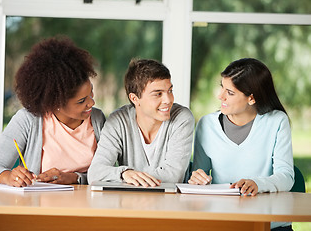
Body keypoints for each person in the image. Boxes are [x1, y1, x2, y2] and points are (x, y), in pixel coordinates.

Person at [0, 36, 105, 187]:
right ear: (56, 102)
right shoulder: (28, 120)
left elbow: (105, 173)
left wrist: (74, 178)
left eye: (91, 92)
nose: (92, 102)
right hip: (39, 205)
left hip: (87, 207)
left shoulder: (97, 119)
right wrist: (8, 176)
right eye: (81, 101)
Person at [188, 58, 294, 231]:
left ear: (251, 98)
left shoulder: (276, 121)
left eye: (229, 92)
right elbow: (198, 176)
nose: (220, 96)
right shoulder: (206, 125)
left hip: (269, 224)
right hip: (222, 222)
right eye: (222, 86)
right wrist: (196, 179)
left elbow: (287, 177)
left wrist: (258, 184)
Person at [87, 58, 195, 187]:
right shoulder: (118, 121)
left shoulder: (181, 118)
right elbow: (94, 173)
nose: (168, 100)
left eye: (170, 91)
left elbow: (173, 176)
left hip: (170, 202)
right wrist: (124, 174)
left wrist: (128, 177)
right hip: (130, 203)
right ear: (135, 98)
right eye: (158, 94)